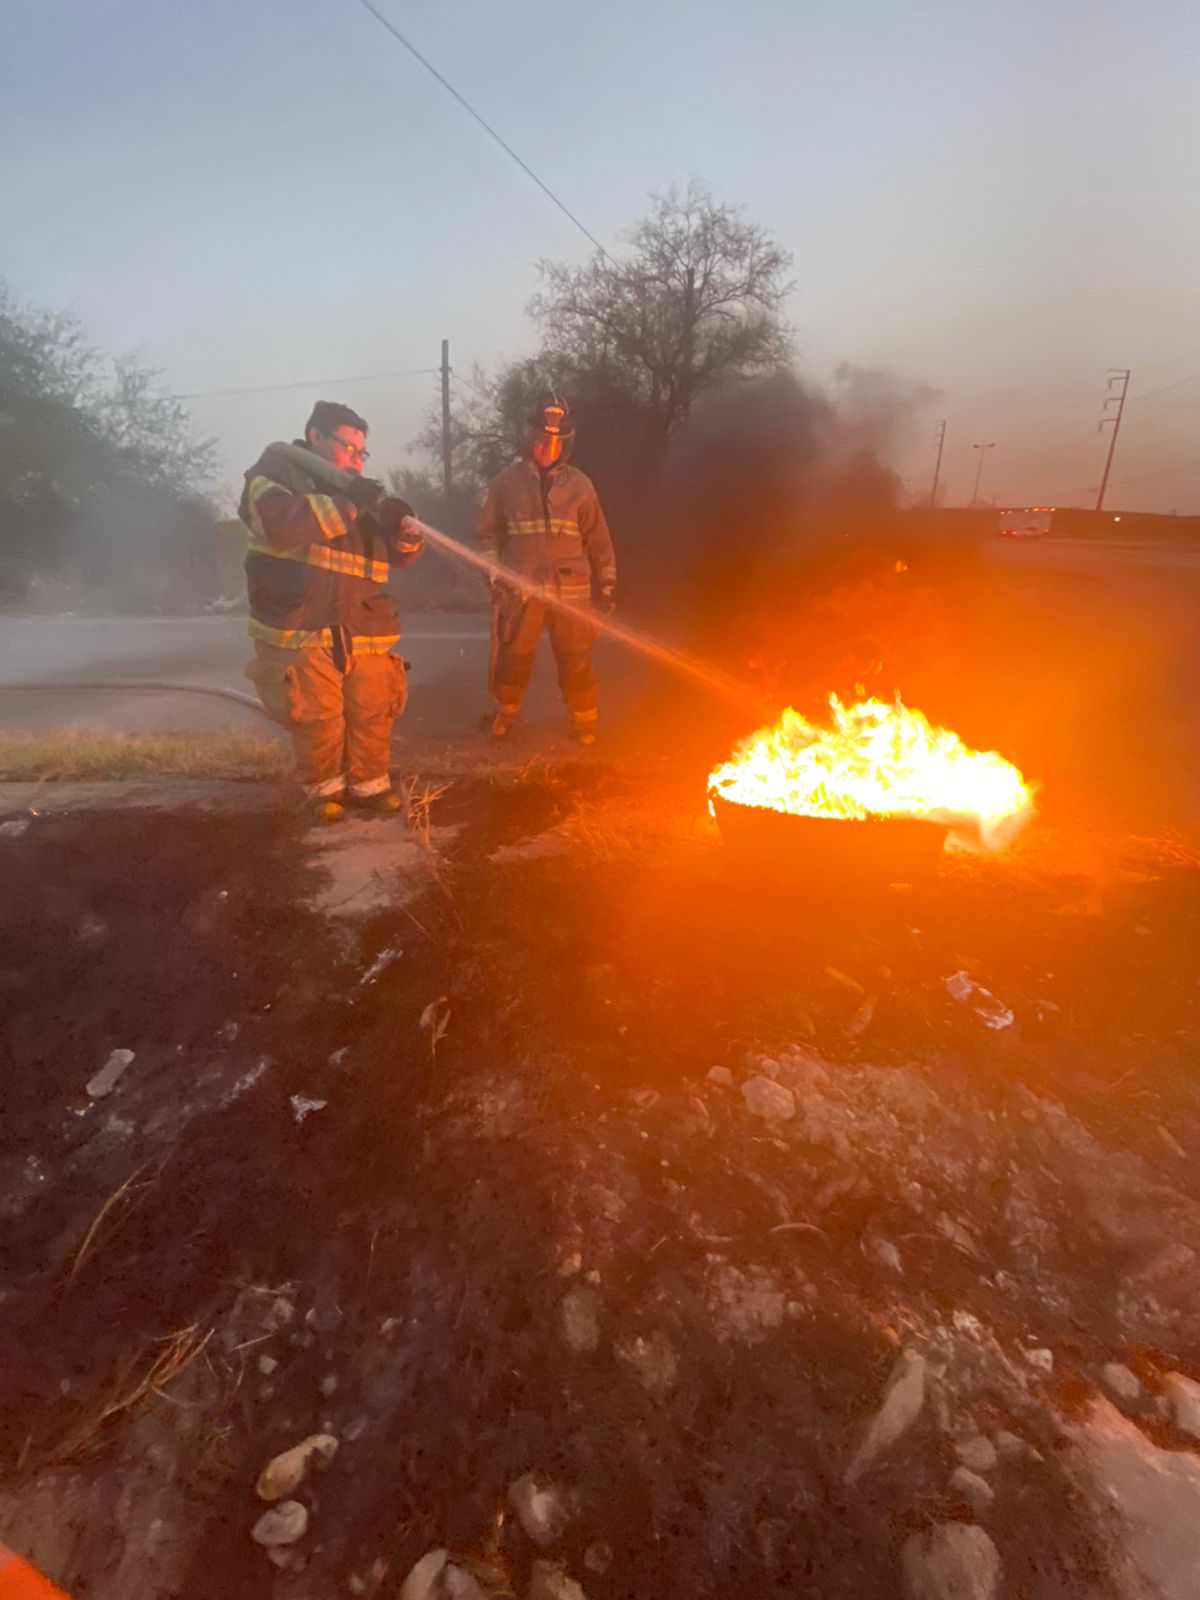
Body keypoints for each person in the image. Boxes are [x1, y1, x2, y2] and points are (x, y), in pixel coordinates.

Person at [239, 400, 424, 822]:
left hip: (363, 626)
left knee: (371, 708)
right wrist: (350, 504)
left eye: (362, 452)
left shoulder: (360, 492)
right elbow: (282, 524)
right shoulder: (274, 473)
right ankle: (322, 791)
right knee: (318, 714)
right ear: (315, 436)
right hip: (301, 625)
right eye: (348, 448)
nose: (357, 459)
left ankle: (370, 785)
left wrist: (407, 533)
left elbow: (397, 556)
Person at [479, 394, 617, 746]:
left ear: (565, 445)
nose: (547, 448)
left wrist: (607, 583)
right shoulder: (505, 483)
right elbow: (488, 532)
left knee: (575, 658)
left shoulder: (581, 486)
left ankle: (584, 721)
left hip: (571, 592)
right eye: (541, 440)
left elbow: (598, 538)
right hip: (521, 588)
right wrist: (492, 568)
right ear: (529, 439)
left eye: (555, 442)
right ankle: (505, 714)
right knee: (515, 657)